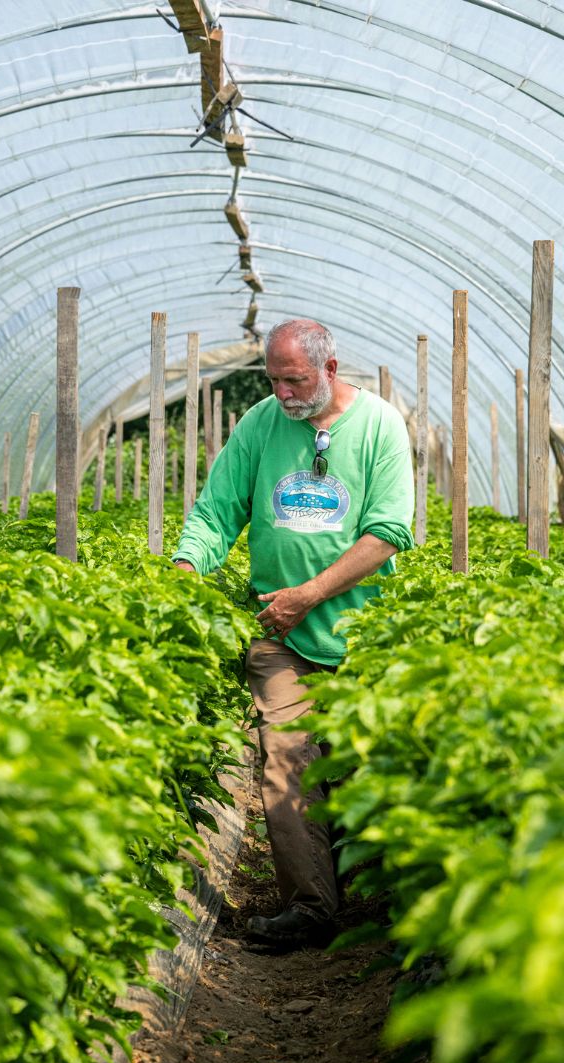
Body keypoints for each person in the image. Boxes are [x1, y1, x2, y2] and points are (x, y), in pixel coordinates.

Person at [173, 318, 414, 951]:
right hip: (281, 635)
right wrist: (184, 568)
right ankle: (310, 909)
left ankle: (388, 904)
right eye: (274, 380)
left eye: (294, 380)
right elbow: (216, 510)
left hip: (363, 632)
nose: (281, 393)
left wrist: (310, 594)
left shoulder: (380, 425)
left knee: (363, 768)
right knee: (286, 759)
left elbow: (388, 532)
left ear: (330, 369)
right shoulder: (259, 426)